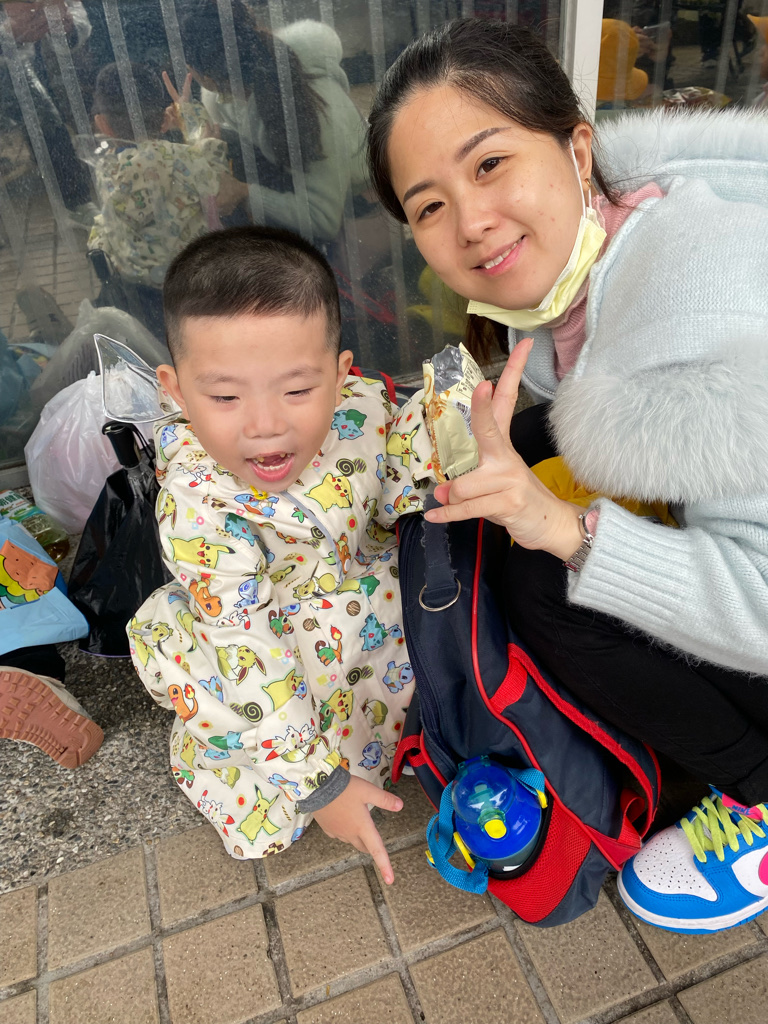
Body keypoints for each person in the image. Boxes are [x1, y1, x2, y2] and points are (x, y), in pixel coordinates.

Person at [366, 18, 768, 932]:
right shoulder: (594, 258)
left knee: (550, 581)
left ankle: (759, 790)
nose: (470, 222)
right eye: (428, 206)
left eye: (490, 164)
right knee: (530, 519)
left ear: (577, 149)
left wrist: (566, 531)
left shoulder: (702, 306)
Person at [128, 225, 436, 882]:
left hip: (366, 617)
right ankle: (294, 778)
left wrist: (446, 447)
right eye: (224, 397)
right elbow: (245, 645)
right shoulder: (199, 503)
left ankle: (371, 751)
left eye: (297, 390)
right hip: (257, 650)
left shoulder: (362, 410)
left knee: (378, 712)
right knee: (274, 807)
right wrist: (318, 785)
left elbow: (390, 484)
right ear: (176, 390)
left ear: (341, 374)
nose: (265, 424)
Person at [176, 0, 368, 243]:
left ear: (202, 76)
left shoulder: (307, 105)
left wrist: (244, 193)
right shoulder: (231, 95)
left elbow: (323, 218)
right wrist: (191, 122)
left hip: (361, 202)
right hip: (311, 185)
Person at [83, 61, 228, 338]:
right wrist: (194, 122)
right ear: (163, 121)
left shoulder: (107, 170)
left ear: (102, 124)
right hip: (192, 282)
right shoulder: (181, 157)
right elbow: (214, 179)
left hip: (139, 287)